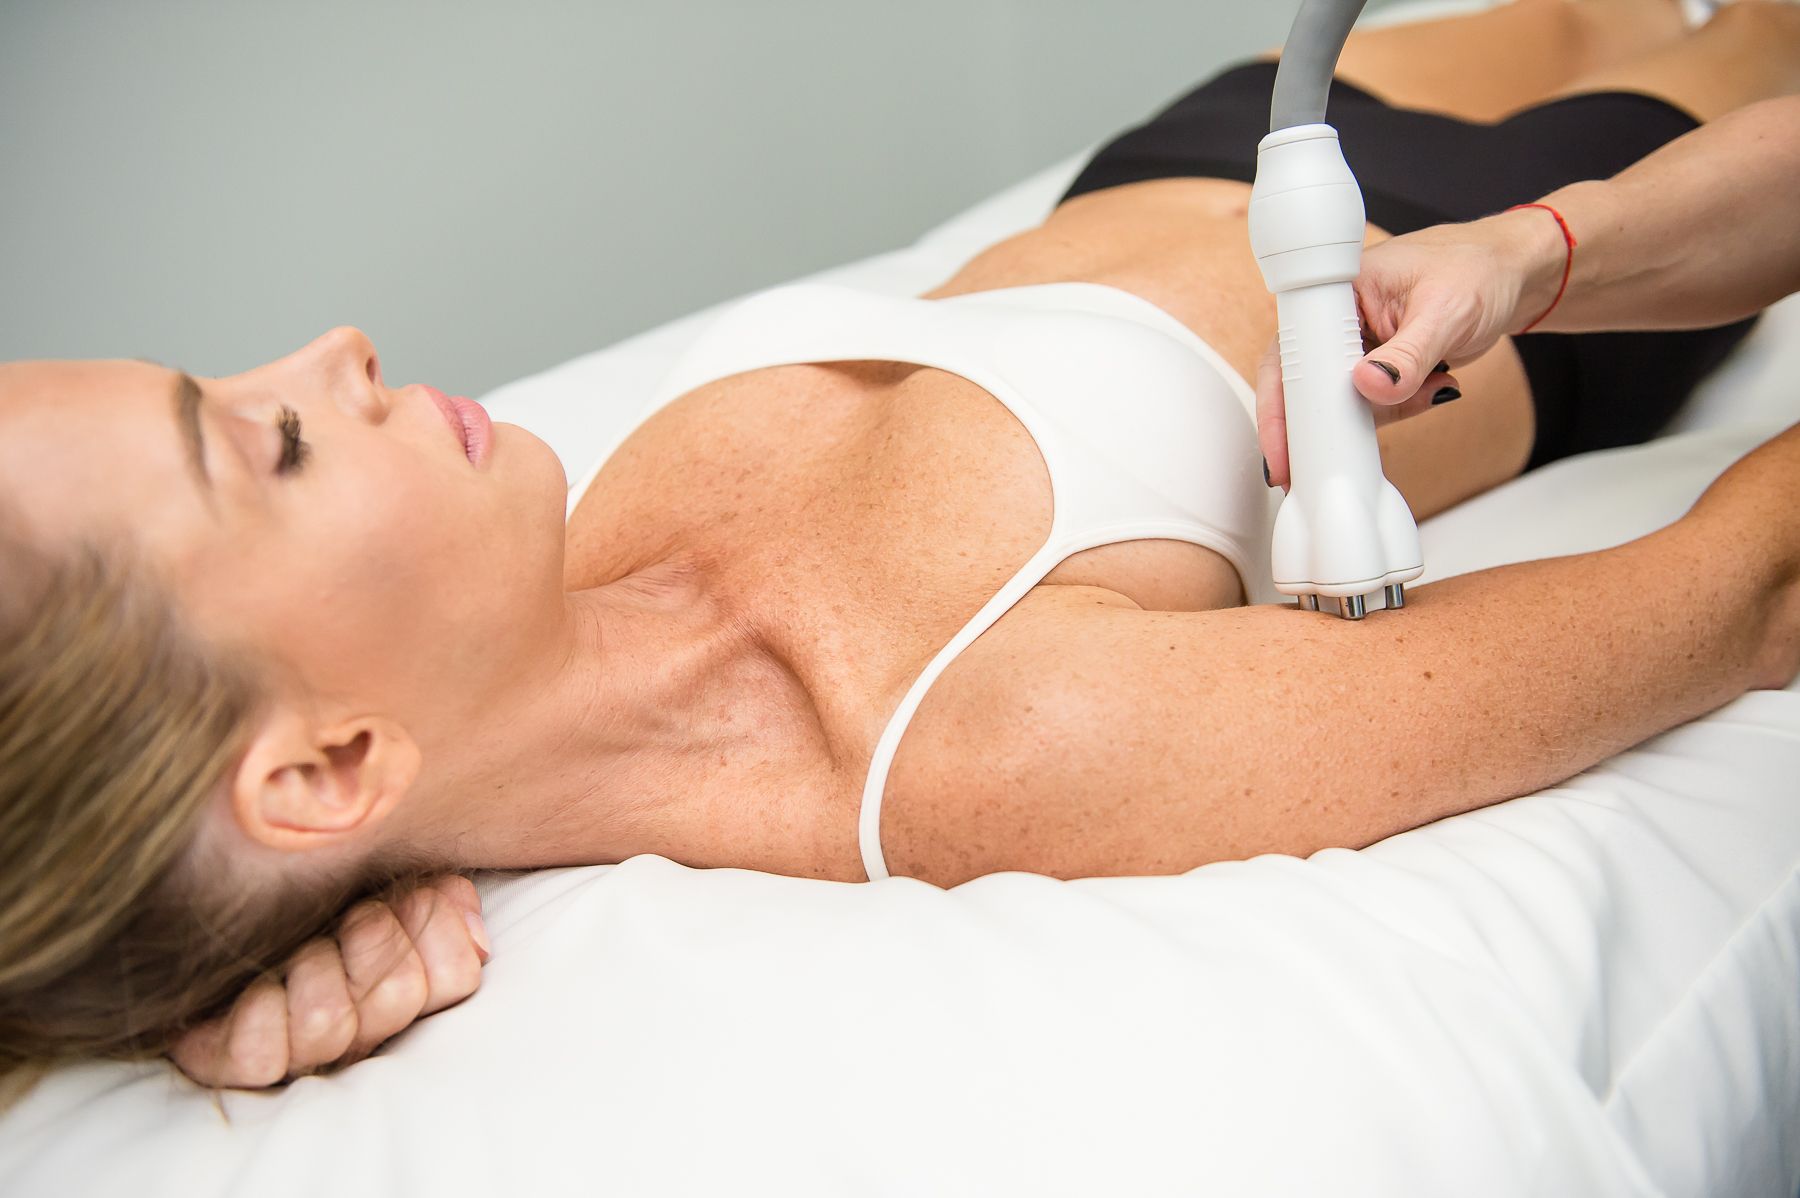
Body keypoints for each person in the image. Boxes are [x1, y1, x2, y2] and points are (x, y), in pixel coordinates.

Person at [2, 0, 1796, 1097]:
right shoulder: (982, 740)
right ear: (322, 762)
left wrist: (227, 963)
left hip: (1189, 150)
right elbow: (1747, 589)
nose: (333, 350)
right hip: (1499, 249)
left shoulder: (509, 620)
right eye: (270, 444)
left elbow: (155, 863)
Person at [1256, 90, 1800, 488]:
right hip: (1278, 153)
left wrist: (1513, 258)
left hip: (1248, 150)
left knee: (1744, 37)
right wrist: (1507, 258)